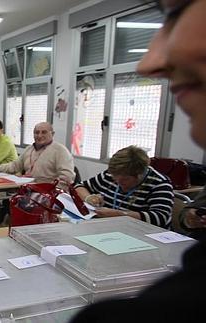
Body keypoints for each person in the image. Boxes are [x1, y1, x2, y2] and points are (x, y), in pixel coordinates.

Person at [71, 2, 206, 320]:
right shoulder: (110, 176)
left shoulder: (158, 183)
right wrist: (88, 196)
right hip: (107, 244)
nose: (148, 64)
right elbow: (80, 184)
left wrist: (118, 212)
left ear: (139, 173)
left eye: (176, 13)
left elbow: (163, 220)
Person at [75, 145, 173, 229]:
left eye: (124, 179)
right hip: (109, 229)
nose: (117, 182)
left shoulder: (159, 184)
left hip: (142, 235)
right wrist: (89, 198)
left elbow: (160, 218)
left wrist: (120, 215)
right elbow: (79, 186)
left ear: (139, 174)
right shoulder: (111, 174)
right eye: (115, 177)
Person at [0, 122, 75, 184]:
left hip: (47, 193)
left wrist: (51, 191)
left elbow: (67, 177)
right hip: (26, 189)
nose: (39, 135)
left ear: (52, 134)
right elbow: (15, 165)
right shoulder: (29, 149)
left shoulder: (60, 151)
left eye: (44, 132)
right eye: (36, 132)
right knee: (6, 201)